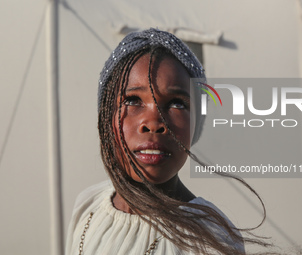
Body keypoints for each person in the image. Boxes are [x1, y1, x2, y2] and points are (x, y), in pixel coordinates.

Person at [65, 28, 266, 255]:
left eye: (177, 104)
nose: (153, 122)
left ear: (196, 124)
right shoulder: (88, 205)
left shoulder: (210, 239)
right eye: (132, 100)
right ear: (106, 115)